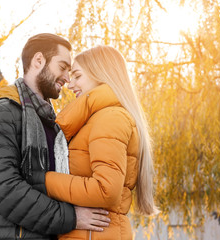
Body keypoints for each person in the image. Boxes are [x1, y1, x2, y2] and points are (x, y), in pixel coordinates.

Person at [0, 34, 110, 240]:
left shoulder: (53, 124)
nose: (67, 77)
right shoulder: (3, 113)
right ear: (39, 60)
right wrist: (71, 217)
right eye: (62, 67)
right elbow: (5, 189)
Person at [42, 45, 158, 239]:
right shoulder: (97, 119)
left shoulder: (110, 117)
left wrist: (44, 180)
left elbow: (106, 190)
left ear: (100, 74)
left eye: (77, 76)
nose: (70, 85)